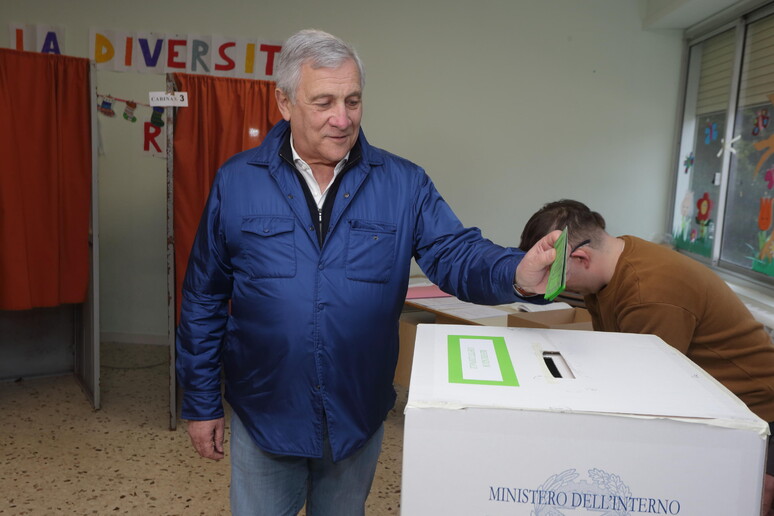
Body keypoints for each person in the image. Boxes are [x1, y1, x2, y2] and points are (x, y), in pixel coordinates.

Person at [176, 29, 558, 516]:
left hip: (355, 412)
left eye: (353, 101)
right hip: (266, 410)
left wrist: (517, 273)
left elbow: (455, 253)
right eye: (324, 102)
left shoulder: (403, 183)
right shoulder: (237, 181)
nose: (343, 119)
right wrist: (202, 402)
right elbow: (204, 297)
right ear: (285, 103)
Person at [519, 199, 774, 516]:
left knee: (741, 498)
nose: (551, 289)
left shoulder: (647, 293)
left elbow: (650, 395)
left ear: (581, 258)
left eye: (554, 277)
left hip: (756, 410)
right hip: (705, 400)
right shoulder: (612, 267)